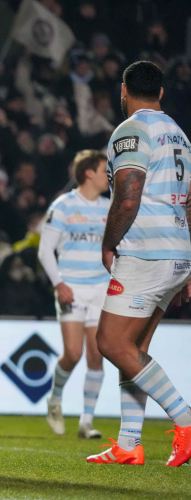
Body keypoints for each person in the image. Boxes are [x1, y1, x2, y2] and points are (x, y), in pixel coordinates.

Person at [87, 61, 191, 467]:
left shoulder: (131, 130)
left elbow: (128, 196)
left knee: (111, 343)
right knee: (135, 349)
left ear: (123, 91)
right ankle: (129, 443)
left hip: (145, 251)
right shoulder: (181, 136)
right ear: (161, 93)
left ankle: (185, 419)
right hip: (176, 251)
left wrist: (109, 242)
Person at [37, 150, 111, 439]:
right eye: (104, 170)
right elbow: (45, 250)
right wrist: (59, 284)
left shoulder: (108, 208)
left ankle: (86, 421)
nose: (109, 176)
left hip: (101, 289)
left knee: (96, 354)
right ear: (89, 172)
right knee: (73, 353)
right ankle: (54, 400)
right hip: (72, 287)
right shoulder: (64, 205)